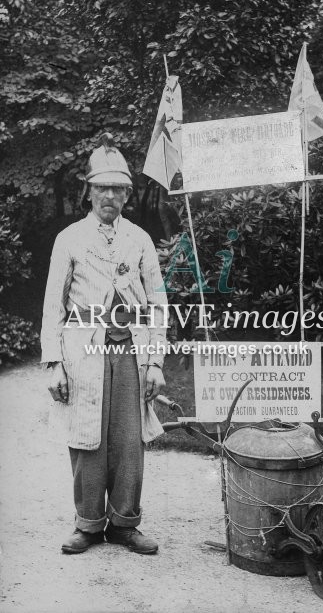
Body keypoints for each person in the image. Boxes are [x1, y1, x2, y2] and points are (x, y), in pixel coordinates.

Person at [41, 133, 167, 555]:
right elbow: (52, 307)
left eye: (117, 188)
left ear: (127, 194)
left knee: (129, 440)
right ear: (89, 191)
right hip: (84, 351)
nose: (109, 196)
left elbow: (157, 303)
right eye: (101, 187)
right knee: (87, 437)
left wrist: (155, 361)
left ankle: (125, 523)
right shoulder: (70, 239)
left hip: (130, 349)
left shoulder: (140, 240)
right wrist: (55, 362)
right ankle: (89, 524)